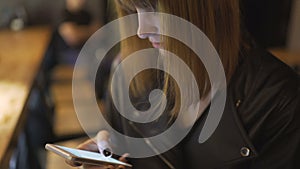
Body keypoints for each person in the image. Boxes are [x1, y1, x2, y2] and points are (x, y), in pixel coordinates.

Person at [67, 0, 300, 169]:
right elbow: (124, 149)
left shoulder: (275, 100)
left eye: (154, 7)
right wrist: (109, 151)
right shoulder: (127, 72)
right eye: (133, 9)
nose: (141, 30)